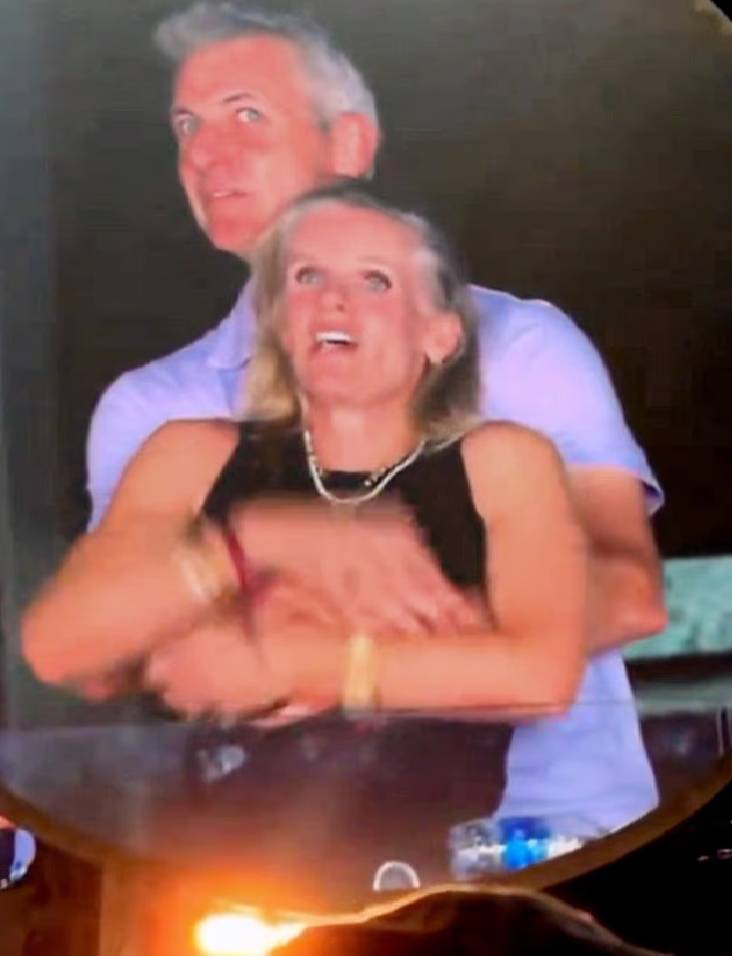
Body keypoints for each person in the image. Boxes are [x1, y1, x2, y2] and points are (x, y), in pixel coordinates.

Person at [82, 4, 665, 827]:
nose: (205, 153)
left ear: (350, 144)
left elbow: (627, 590)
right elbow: (114, 651)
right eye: (187, 125)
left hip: (555, 844)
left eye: (247, 114)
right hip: (279, 865)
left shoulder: (518, 345)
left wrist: (345, 665)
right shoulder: (152, 409)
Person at [23, 188, 587, 724]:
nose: (332, 299)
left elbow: (542, 677)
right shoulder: (190, 455)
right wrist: (247, 545)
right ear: (279, 325)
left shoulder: (503, 462)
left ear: (440, 336)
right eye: (307, 277)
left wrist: (291, 664)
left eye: (375, 280)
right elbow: (60, 650)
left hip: (430, 795)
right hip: (205, 793)